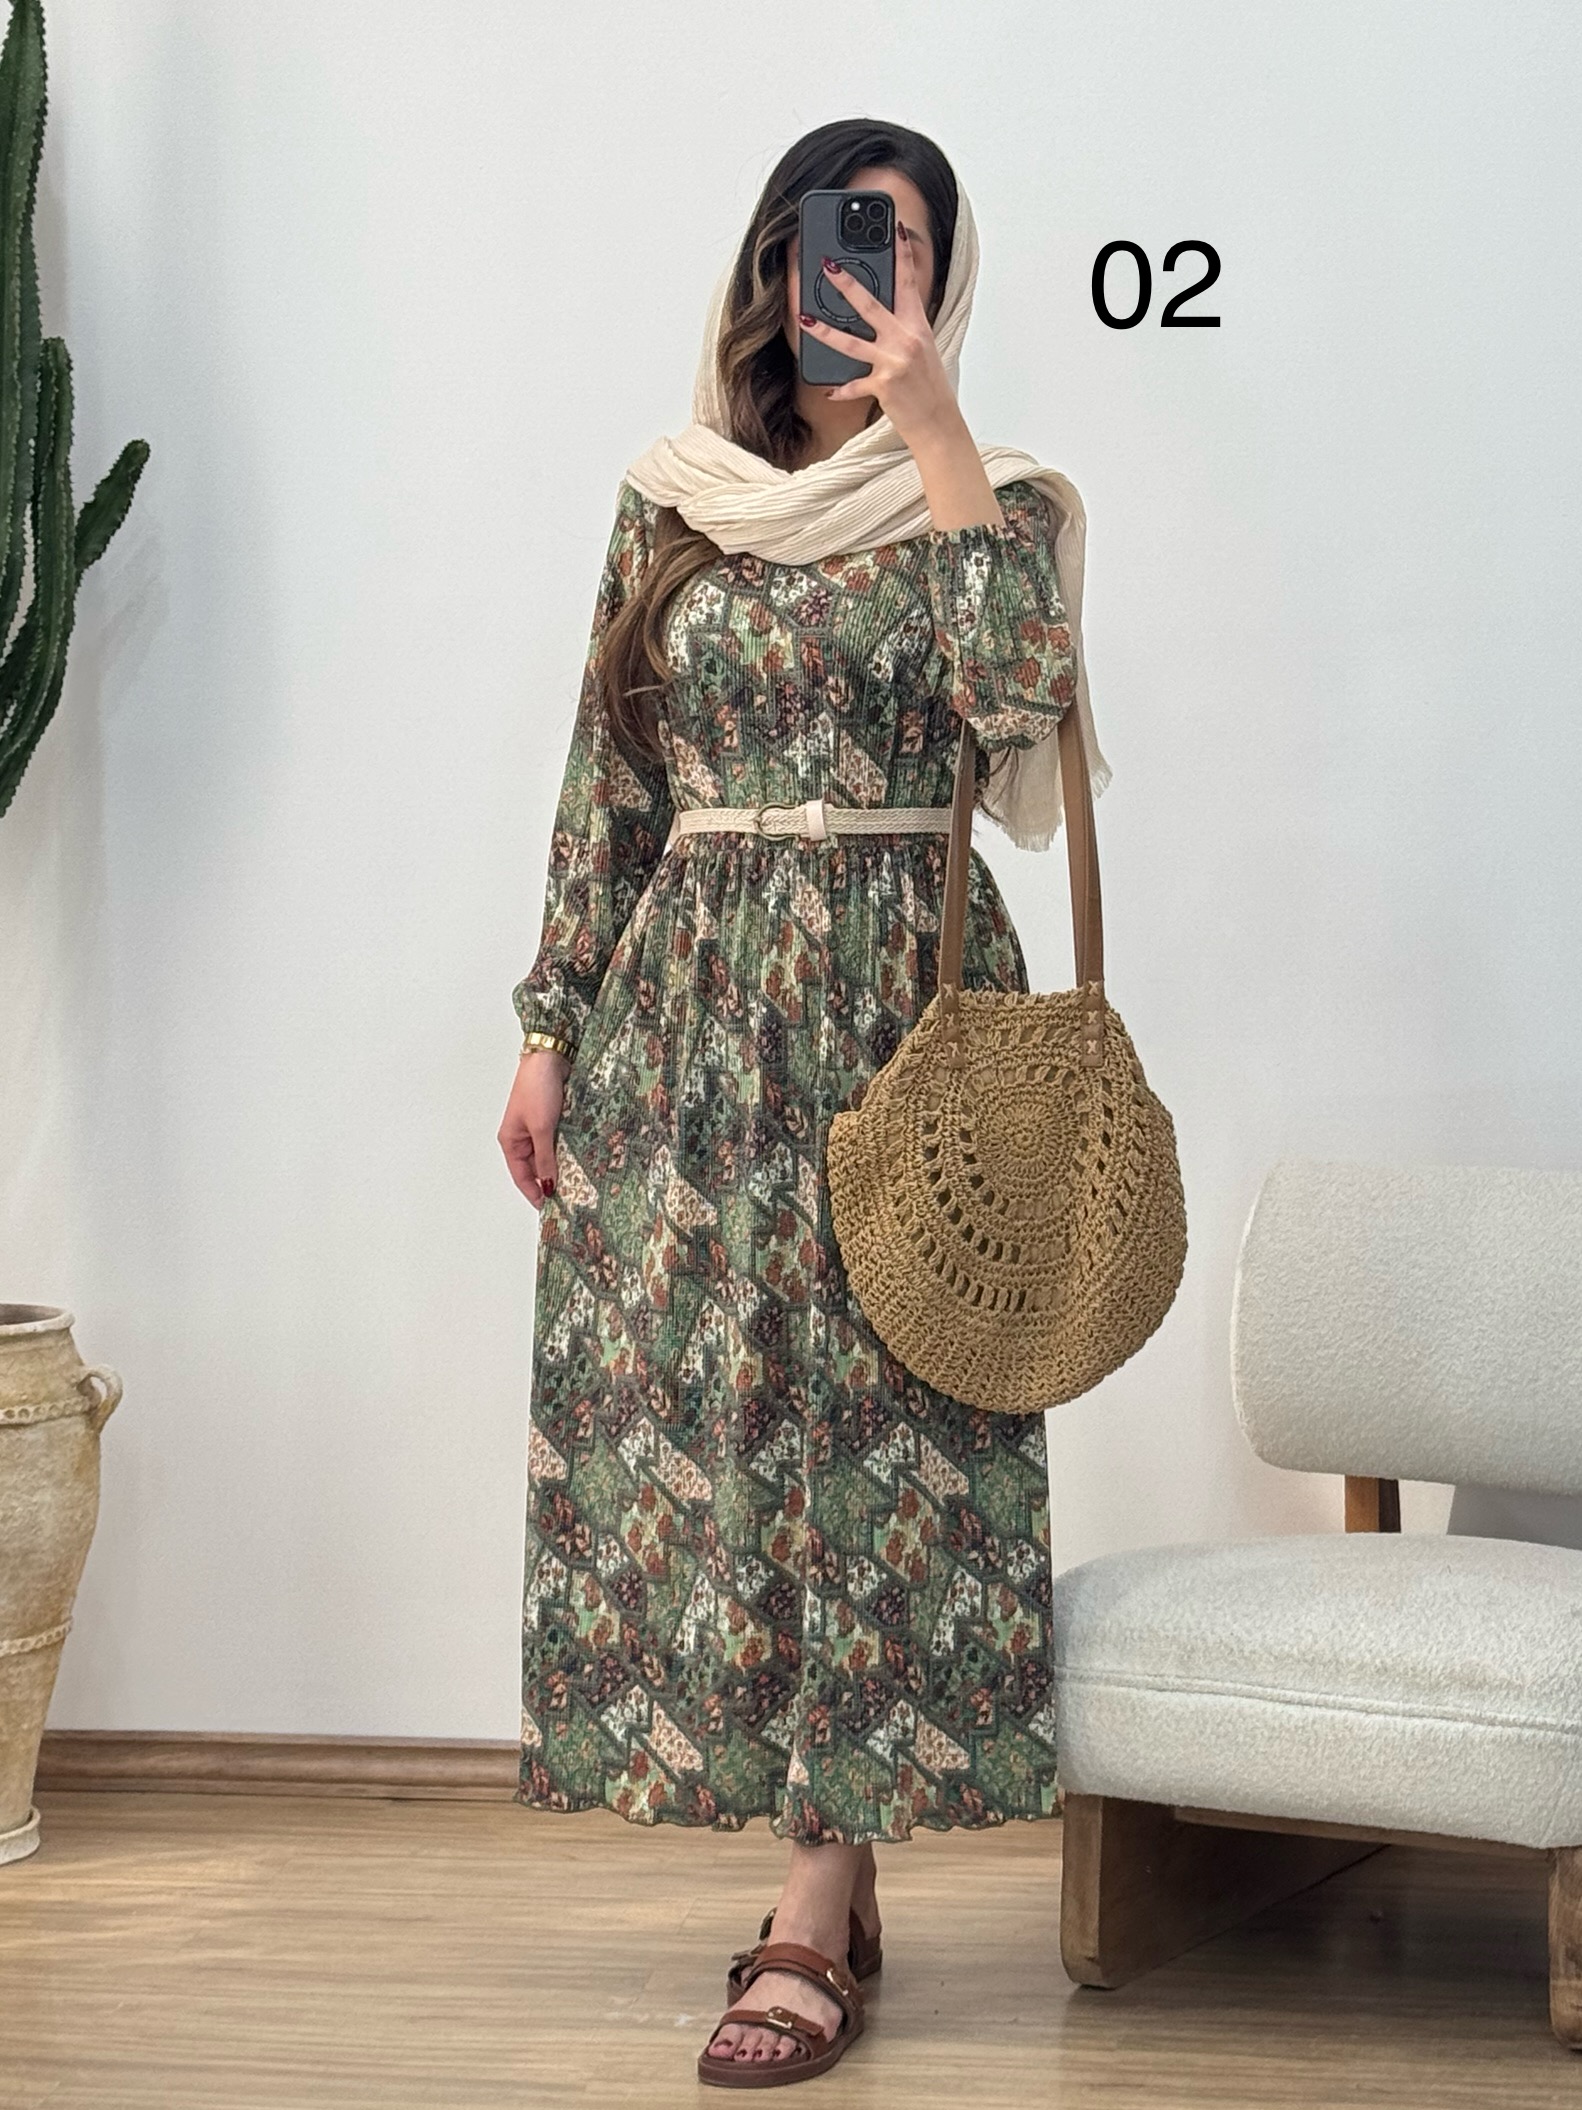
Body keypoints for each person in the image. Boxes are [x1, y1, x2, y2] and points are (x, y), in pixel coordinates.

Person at [497, 118, 1108, 2088]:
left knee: (880, 1443)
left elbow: (1019, 713)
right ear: (771, 268)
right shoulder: (672, 501)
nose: (850, 279)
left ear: (942, 280)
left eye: (896, 247)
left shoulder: (988, 496)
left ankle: (813, 1904)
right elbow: (610, 773)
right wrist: (546, 1024)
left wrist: (934, 431)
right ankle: (818, 1862)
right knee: (722, 1439)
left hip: (898, 1016)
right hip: (683, 1022)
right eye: (826, 244)